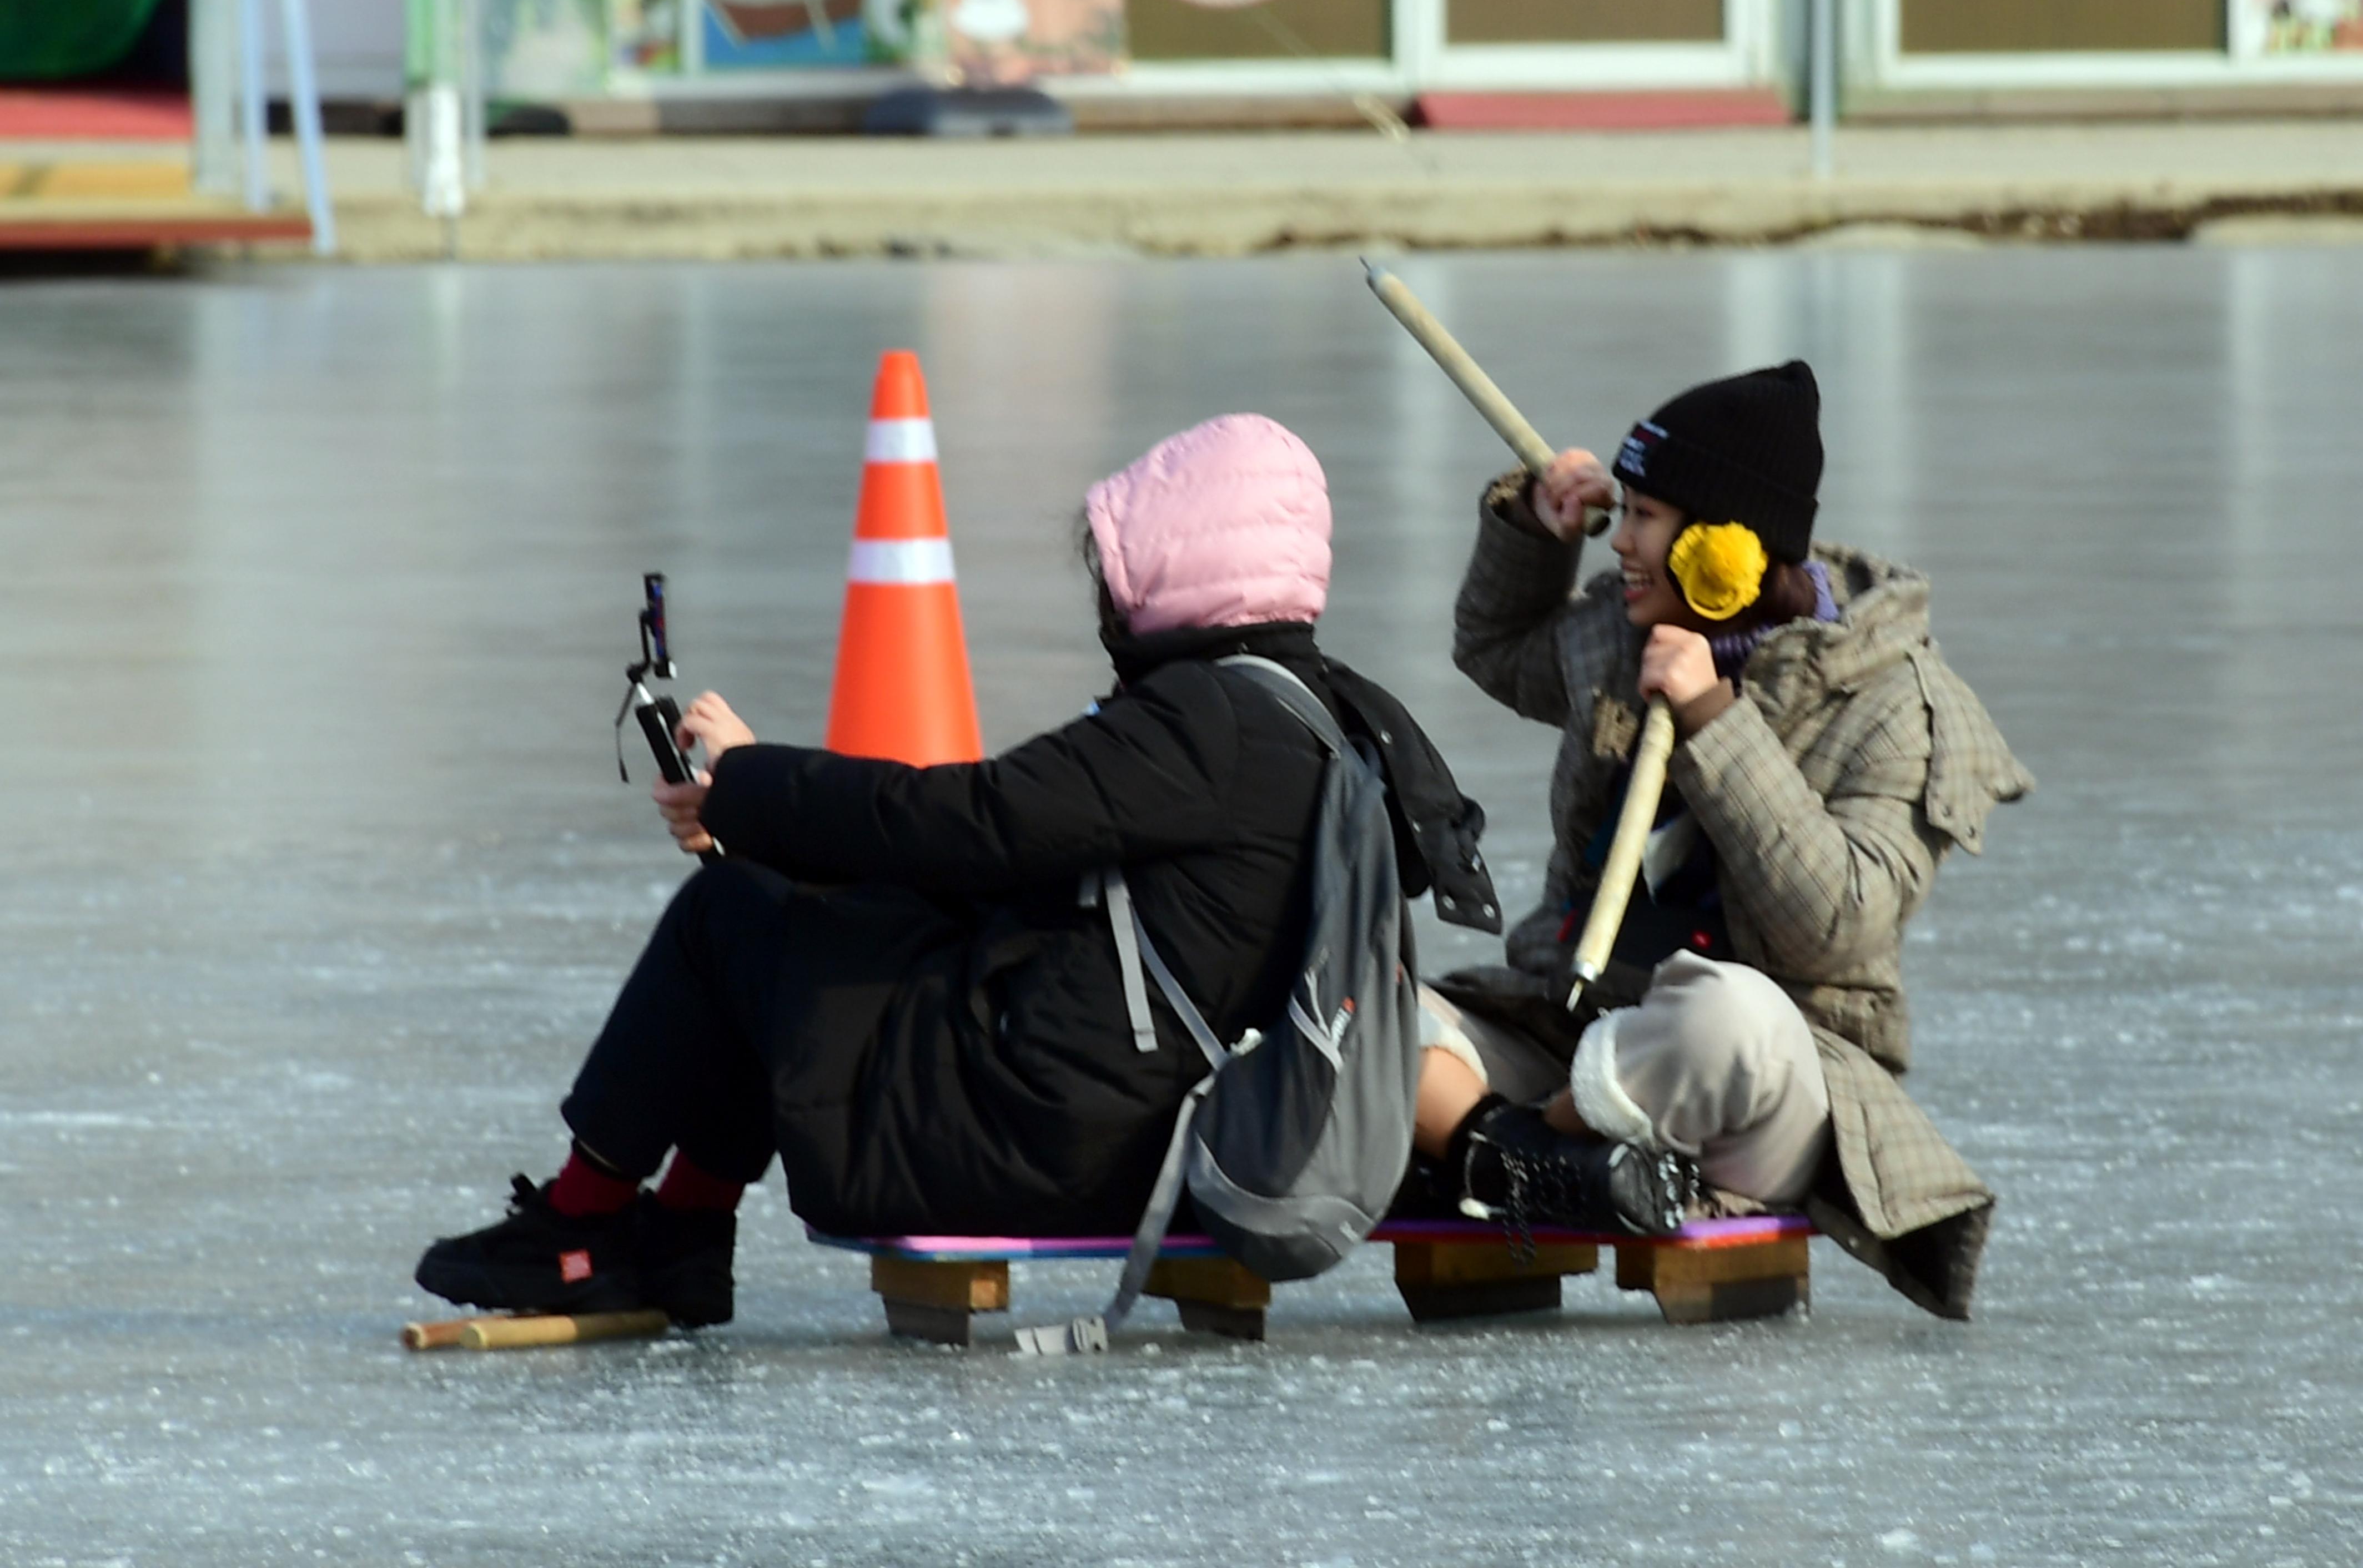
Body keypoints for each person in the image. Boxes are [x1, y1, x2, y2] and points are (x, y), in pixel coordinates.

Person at [413, 413, 1688, 1329]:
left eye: (1118, 562)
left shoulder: (1205, 720)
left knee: (734, 915)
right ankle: (680, 1239)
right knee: (795, 910)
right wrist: (781, 829)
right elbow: (1015, 856)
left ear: (1182, 566)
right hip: (1144, 1109)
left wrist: (749, 784)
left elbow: (973, 822)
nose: (1105, 591)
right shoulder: (1322, 710)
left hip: (1054, 1133)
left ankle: (592, 1224)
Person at [1407, 362, 2033, 1318]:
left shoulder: (1896, 700)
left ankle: (1516, 1154)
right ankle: (1540, 1157)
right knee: (1368, 1014)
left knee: (1723, 1018)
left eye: (1646, 516)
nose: (1621, 542)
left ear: (1726, 550)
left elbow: (1837, 926)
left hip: (1764, 1086)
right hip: (1576, 1031)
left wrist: (1713, 721)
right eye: (1622, 512)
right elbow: (1496, 652)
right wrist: (1538, 533)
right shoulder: (1624, 633)